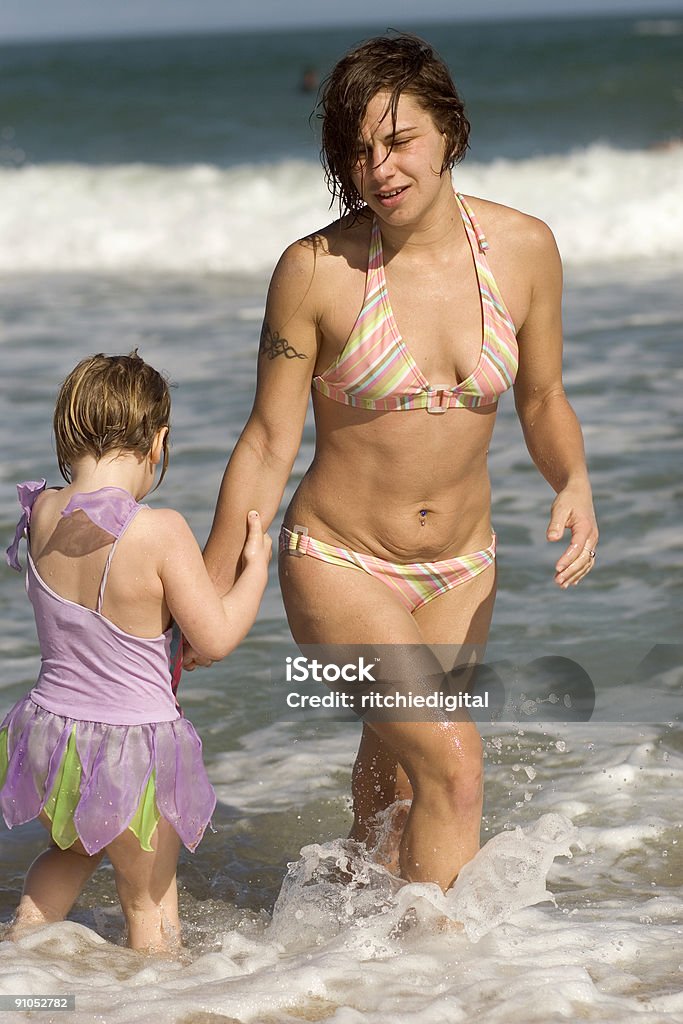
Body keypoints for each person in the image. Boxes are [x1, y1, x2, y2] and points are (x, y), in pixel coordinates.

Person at [200, 33, 598, 893]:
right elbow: (268, 441)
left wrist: (571, 478)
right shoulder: (314, 272)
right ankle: (444, 980)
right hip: (339, 560)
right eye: (357, 148)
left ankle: (353, 967)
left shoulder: (524, 250)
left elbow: (541, 398)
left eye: (398, 139)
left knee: (397, 783)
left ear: (449, 131)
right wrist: (203, 590)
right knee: (453, 761)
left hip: (461, 568)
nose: (377, 168)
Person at [0, 352, 271, 951]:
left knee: (66, 853)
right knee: (147, 897)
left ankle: (20, 968)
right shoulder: (158, 530)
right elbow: (217, 636)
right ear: (159, 442)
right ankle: (152, 1001)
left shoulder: (42, 511)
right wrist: (255, 568)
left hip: (48, 739)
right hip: (131, 750)